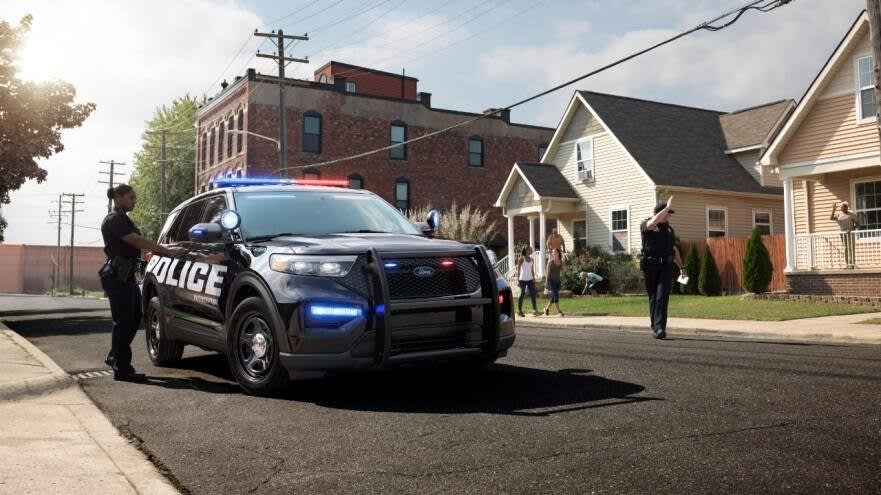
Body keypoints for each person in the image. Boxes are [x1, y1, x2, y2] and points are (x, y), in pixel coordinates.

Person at [100, 184, 186, 381]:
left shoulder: (123, 219)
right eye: (131, 198)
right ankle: (122, 369)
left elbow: (132, 245)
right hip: (116, 277)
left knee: (135, 318)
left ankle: (115, 356)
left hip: (127, 276)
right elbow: (135, 240)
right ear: (118, 197)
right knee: (122, 323)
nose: (134, 201)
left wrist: (150, 252)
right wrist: (166, 251)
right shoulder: (114, 219)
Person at [639, 197, 686, 339]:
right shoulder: (647, 225)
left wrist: (682, 267)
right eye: (668, 212)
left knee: (662, 297)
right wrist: (666, 207)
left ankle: (660, 328)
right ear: (660, 212)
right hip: (650, 266)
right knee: (654, 297)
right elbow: (653, 222)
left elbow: (674, 249)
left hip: (666, 266)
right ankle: (655, 326)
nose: (670, 215)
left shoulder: (669, 229)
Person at [830, 201, 859, 269]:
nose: (842, 208)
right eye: (841, 207)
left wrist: (851, 229)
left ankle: (852, 264)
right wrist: (833, 210)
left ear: (846, 207)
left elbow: (858, 223)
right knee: (846, 248)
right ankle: (847, 264)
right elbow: (831, 218)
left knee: (851, 248)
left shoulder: (851, 215)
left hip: (850, 233)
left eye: (843, 206)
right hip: (843, 234)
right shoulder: (839, 215)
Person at [515, 246, 540, 317]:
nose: (531, 250)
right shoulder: (521, 259)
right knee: (522, 294)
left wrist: (534, 279)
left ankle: (534, 310)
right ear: (526, 250)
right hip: (522, 279)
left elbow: (532, 270)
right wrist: (518, 280)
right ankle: (520, 311)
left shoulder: (532, 259)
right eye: (530, 249)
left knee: (533, 294)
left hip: (530, 279)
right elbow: (518, 270)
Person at [542, 248, 565, 316]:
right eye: (553, 252)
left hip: (558, 281)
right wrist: (546, 282)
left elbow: (562, 270)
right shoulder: (550, 262)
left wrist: (563, 272)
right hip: (551, 281)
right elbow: (547, 273)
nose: (553, 253)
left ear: (558, 253)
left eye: (555, 252)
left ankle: (546, 309)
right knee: (556, 295)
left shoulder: (560, 261)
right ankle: (559, 311)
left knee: (553, 296)